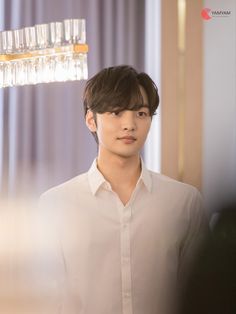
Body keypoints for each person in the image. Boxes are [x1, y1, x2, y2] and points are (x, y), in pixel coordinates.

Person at [38, 65, 207, 314]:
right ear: (90, 120)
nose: (129, 124)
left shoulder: (184, 202)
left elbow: (202, 295)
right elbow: (46, 299)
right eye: (116, 112)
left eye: (141, 113)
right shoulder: (55, 204)